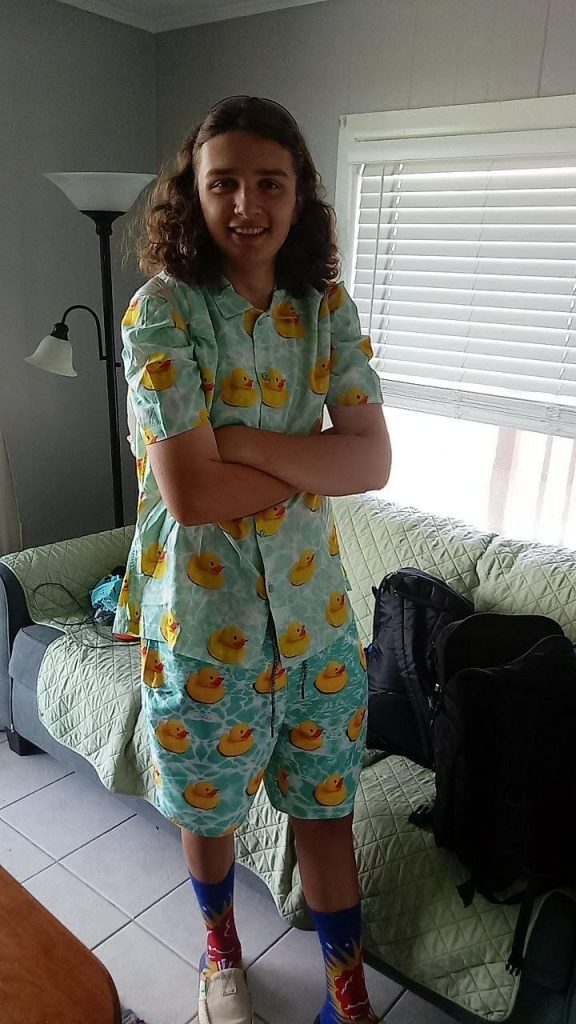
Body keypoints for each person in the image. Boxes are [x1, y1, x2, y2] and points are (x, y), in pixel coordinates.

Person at [115, 95, 392, 1024]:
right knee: (210, 816)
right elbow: (191, 496)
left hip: (318, 630)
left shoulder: (327, 309)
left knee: (325, 811)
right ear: (190, 196)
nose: (245, 203)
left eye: (267, 182)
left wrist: (238, 440)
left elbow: (374, 459)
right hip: (203, 634)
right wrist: (309, 453)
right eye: (221, 182)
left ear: (298, 195)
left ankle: (345, 992)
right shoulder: (161, 312)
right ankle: (220, 953)